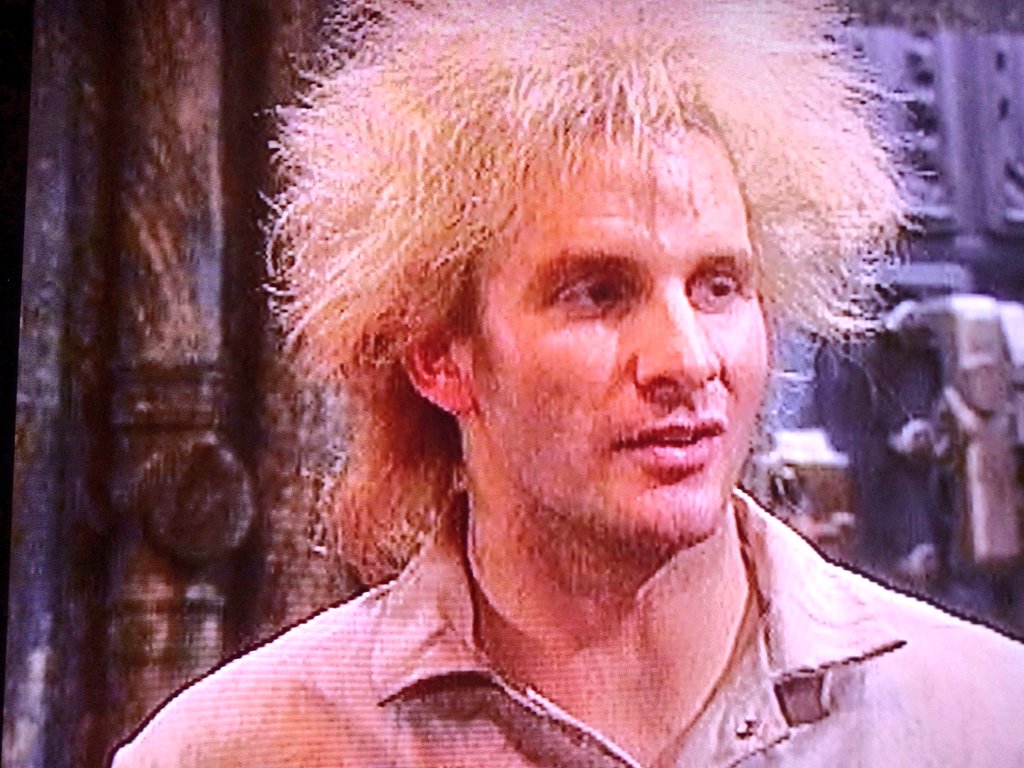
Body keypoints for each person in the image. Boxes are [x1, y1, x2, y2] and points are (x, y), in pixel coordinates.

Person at [111, 1, 1024, 766]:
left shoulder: (982, 722)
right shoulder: (241, 749)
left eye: (719, 286)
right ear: (438, 355)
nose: (686, 360)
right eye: (598, 293)